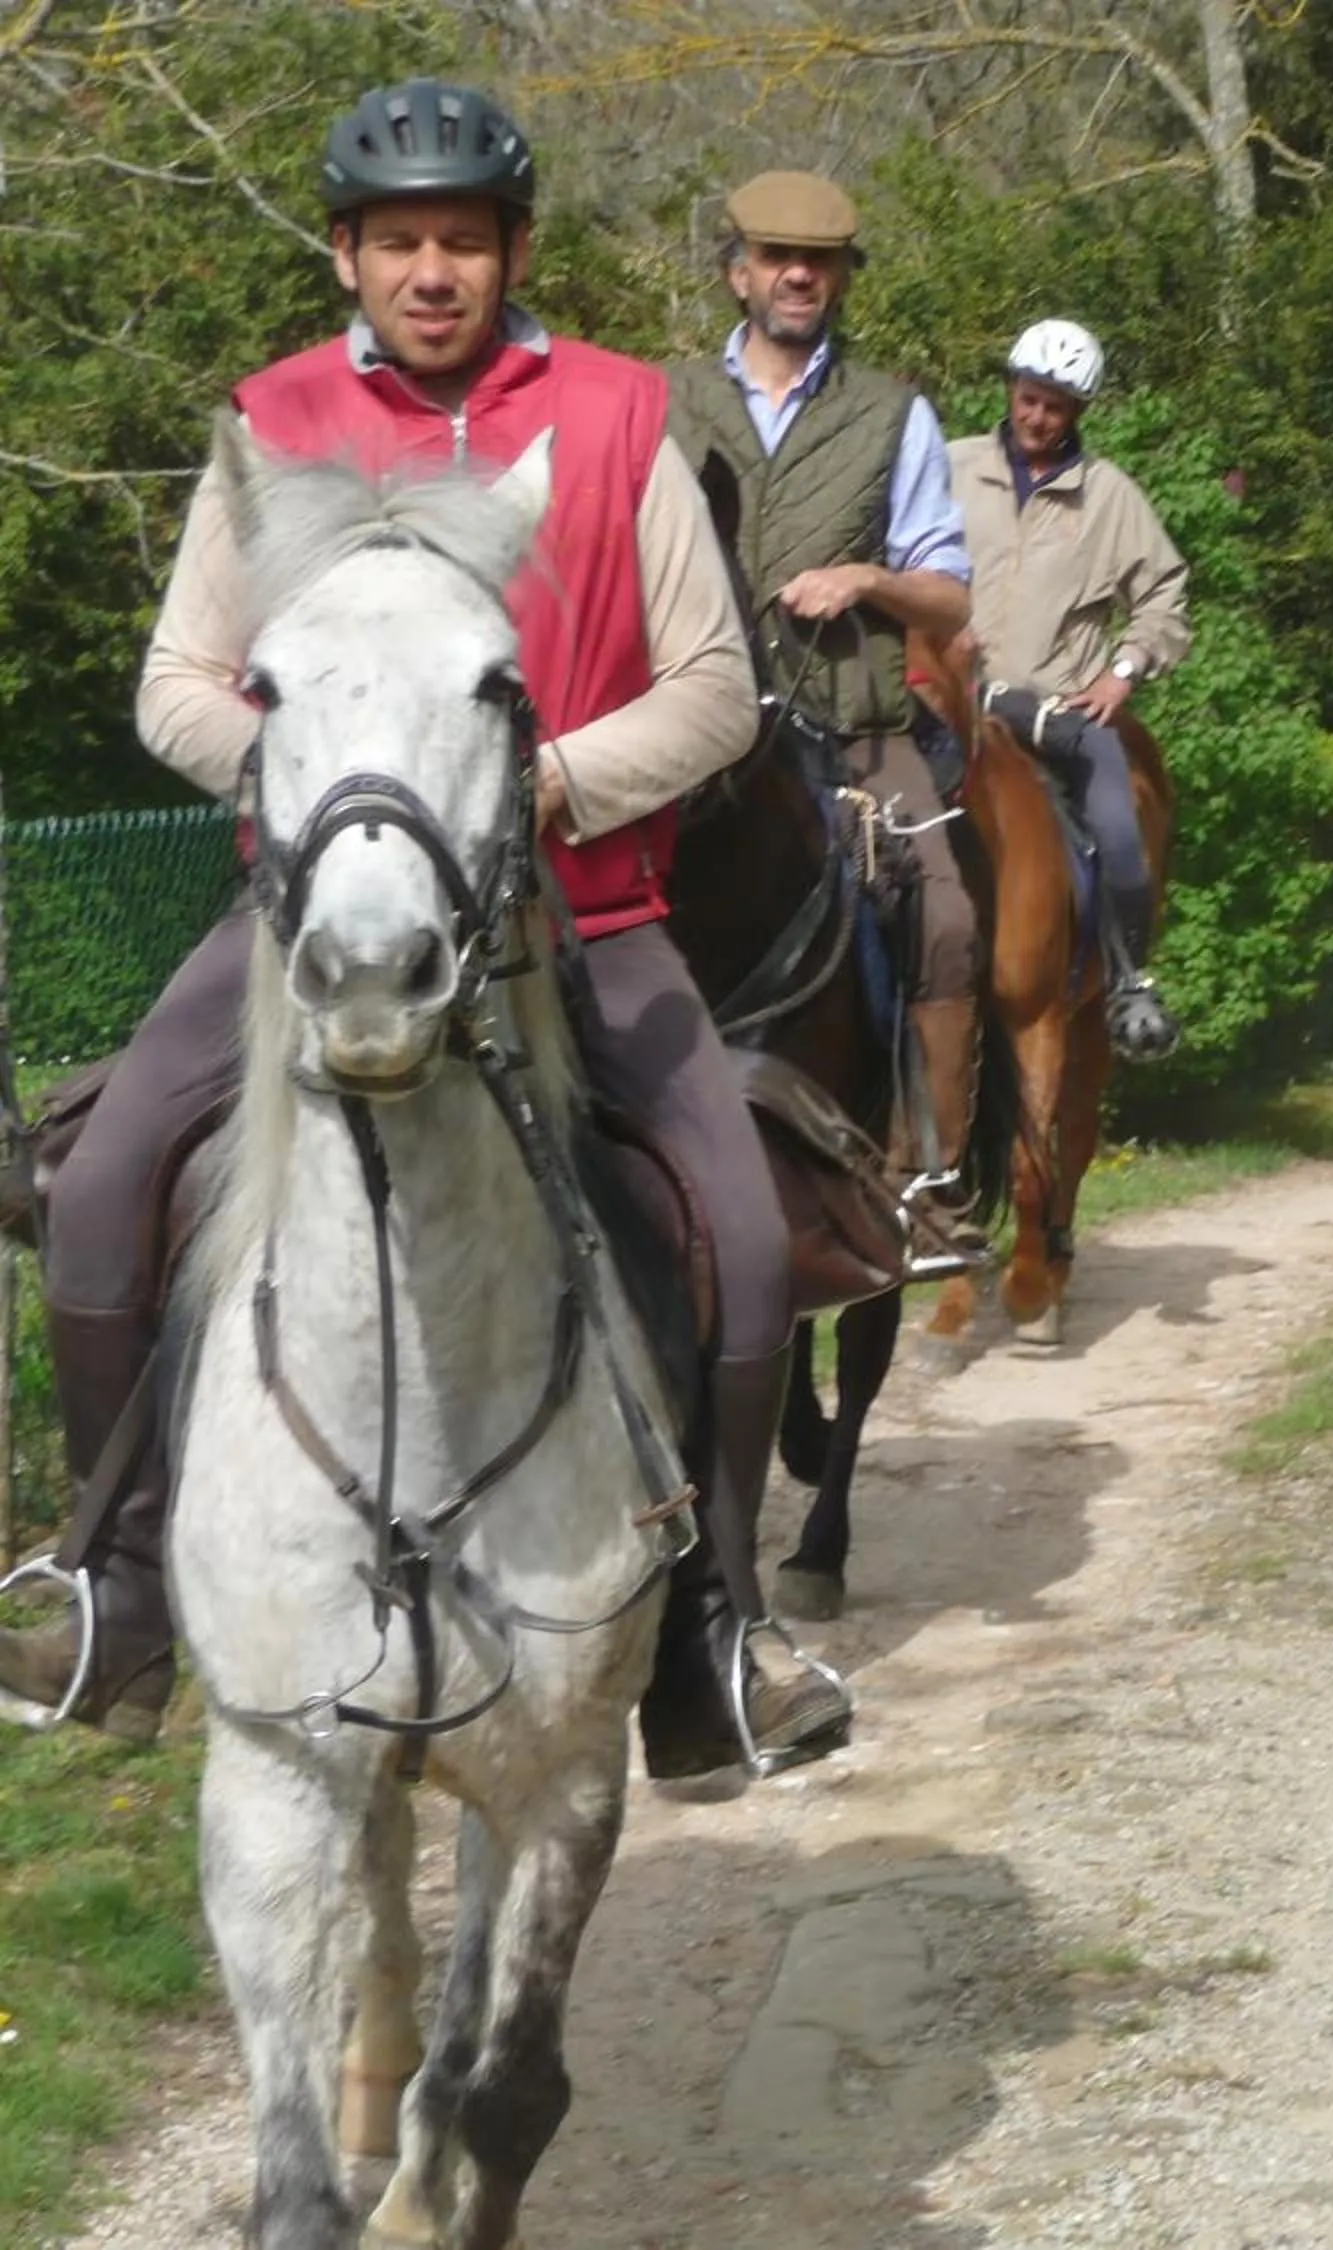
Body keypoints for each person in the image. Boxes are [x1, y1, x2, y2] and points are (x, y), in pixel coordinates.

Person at [0, 79, 852, 1782]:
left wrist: (532, 792)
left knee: (747, 1240)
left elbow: (717, 693)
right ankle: (121, 1592)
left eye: (465, 239)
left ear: (513, 248)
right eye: (400, 240)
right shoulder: (271, 421)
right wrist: (343, 808)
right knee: (99, 1184)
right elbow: (174, 681)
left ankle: (711, 1640)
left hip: (586, 916)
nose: (433, 270)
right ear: (346, 252)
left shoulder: (617, 421)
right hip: (315, 923)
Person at [665, 171, 979, 1221]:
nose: (800, 274)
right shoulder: (657, 401)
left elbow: (947, 595)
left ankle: (921, 1182)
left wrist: (868, 580)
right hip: (683, 730)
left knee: (943, 920)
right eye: (776, 257)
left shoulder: (896, 414)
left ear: (843, 276)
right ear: (736, 271)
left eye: (822, 260)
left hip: (850, 729)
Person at [946, 319, 1191, 1059]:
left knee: (1117, 817)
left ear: (1077, 412)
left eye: (1055, 407)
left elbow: (1166, 593)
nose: (1037, 418)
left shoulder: (1109, 496)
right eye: (1028, 400)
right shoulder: (952, 466)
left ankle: (1129, 980)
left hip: (1053, 711)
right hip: (952, 701)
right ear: (1010, 392)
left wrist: (1125, 670)